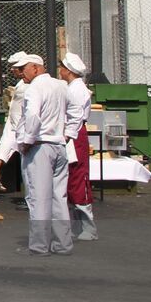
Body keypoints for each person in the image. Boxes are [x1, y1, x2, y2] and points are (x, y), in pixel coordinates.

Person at [15, 54, 73, 255]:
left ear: (36, 68)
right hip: (59, 145)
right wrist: (69, 133)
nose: (21, 73)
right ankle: (63, 244)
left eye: (23, 69)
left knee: (39, 197)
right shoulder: (61, 86)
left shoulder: (34, 89)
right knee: (59, 196)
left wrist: (26, 141)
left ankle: (39, 246)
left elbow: (32, 115)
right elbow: (75, 111)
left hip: (40, 146)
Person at [59, 52, 98, 241]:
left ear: (68, 71)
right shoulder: (73, 88)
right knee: (72, 178)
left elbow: (75, 117)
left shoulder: (76, 90)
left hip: (74, 136)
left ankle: (88, 228)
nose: (60, 70)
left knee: (78, 178)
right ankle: (78, 226)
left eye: (62, 67)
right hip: (72, 135)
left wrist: (67, 136)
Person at [0, 51, 32, 192]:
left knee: (8, 144)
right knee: (10, 144)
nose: (13, 71)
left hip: (21, 125)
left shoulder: (26, 85)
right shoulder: (23, 85)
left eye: (16, 68)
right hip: (19, 125)